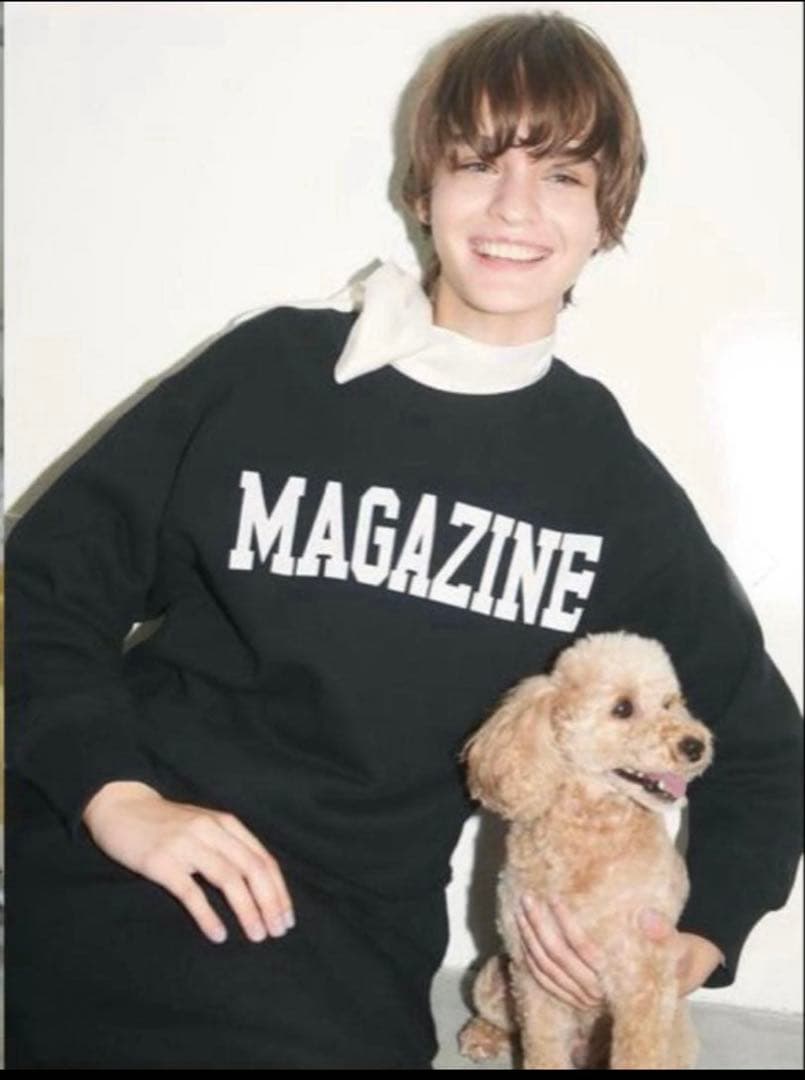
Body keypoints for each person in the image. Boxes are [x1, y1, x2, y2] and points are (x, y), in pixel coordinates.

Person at [5, 9, 802, 1070]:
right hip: (123, 872)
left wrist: (695, 941)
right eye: (477, 163)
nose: (514, 205)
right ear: (422, 189)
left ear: (605, 215)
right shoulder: (270, 373)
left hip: (344, 943)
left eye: (562, 174)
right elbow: (41, 585)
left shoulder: (606, 484)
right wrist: (117, 797)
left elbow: (763, 751)